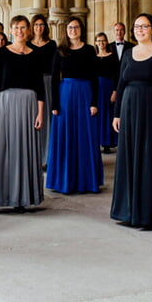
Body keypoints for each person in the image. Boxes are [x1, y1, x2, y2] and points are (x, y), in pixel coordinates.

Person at [110, 14, 152, 230]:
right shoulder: (128, 53)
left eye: (144, 26)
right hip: (130, 109)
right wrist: (117, 114)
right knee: (130, 157)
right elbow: (121, 84)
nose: (140, 30)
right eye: (136, 26)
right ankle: (130, 211)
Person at [0, 15, 45, 214]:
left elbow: (39, 85)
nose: (19, 31)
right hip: (4, 104)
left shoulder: (35, 54)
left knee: (23, 152)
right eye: (16, 27)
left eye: (23, 27)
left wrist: (40, 113)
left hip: (28, 106)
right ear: (11, 30)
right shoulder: (1, 53)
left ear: (28, 30)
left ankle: (20, 198)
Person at [46, 17, 102, 194]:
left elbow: (95, 77)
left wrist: (94, 102)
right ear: (66, 30)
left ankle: (87, 181)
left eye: (76, 27)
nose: (73, 30)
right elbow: (55, 78)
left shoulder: (89, 50)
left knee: (85, 136)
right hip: (66, 95)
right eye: (70, 27)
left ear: (81, 29)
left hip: (85, 93)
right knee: (65, 135)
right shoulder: (59, 50)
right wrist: (55, 103)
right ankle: (63, 181)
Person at [28, 14, 57, 167]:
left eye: (41, 25)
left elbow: (56, 68)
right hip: (32, 84)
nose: (39, 28)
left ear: (45, 27)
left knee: (48, 119)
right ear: (32, 27)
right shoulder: (27, 44)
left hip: (48, 82)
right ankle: (35, 157)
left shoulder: (52, 44)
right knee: (34, 119)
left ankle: (47, 158)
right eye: (36, 25)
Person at [94, 32, 119, 153]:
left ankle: (107, 143)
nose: (101, 43)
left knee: (108, 114)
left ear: (106, 42)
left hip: (108, 87)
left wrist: (115, 91)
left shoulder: (112, 56)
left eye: (103, 40)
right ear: (95, 42)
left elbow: (117, 75)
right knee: (97, 115)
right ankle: (97, 141)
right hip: (96, 88)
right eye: (98, 41)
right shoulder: (92, 57)